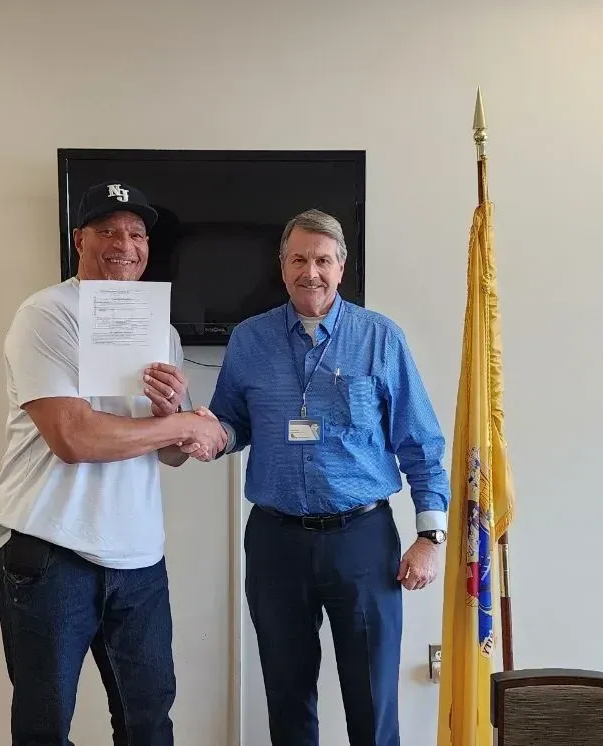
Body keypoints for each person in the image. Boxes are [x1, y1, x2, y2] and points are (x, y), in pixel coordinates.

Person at [192, 209, 450, 746]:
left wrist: (430, 537)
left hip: (362, 541)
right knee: (286, 699)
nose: (312, 272)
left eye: (323, 260)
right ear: (282, 267)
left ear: (342, 266)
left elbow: (420, 442)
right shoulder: (249, 340)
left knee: (373, 701)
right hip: (275, 541)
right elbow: (231, 426)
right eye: (300, 259)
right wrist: (193, 427)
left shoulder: (380, 338)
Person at [0, 181, 227, 746]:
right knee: (44, 731)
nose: (125, 244)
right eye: (109, 230)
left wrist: (174, 419)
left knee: (148, 726)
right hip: (51, 551)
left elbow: (169, 455)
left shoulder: (160, 331)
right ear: (79, 239)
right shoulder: (46, 314)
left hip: (139, 559)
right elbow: (71, 437)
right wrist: (185, 423)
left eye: (137, 233)